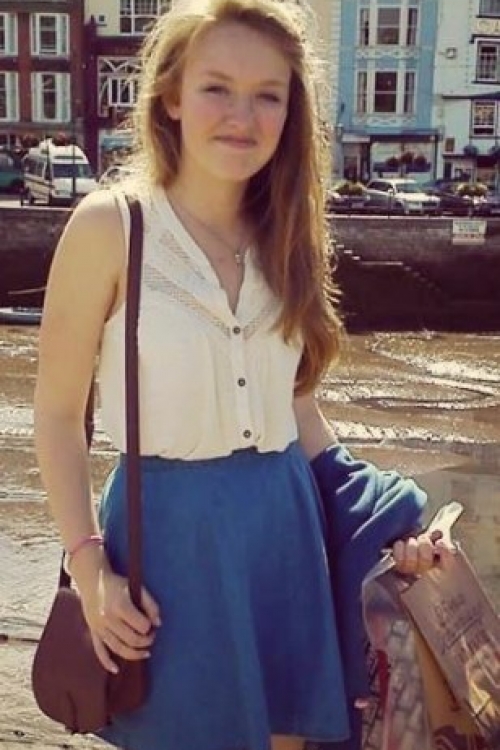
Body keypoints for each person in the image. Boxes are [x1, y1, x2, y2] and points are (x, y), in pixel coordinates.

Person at [34, 2, 450, 749]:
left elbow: (302, 416)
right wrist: (89, 565)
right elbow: (59, 416)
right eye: (216, 88)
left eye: (268, 95)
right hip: (169, 543)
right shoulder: (111, 226)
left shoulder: (288, 232)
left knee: (286, 736)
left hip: (285, 532)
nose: (242, 116)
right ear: (171, 95)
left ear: (292, 112)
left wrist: (396, 525)